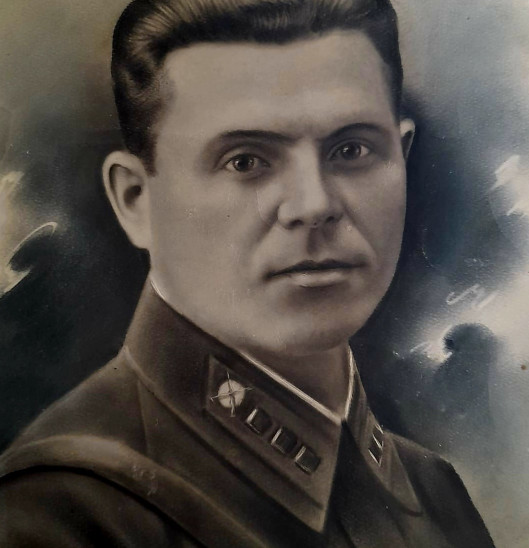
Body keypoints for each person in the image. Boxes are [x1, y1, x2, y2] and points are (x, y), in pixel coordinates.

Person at [0, 0, 495, 546]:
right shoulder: (63, 510)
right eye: (246, 160)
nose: (313, 204)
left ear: (401, 158)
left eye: (351, 149)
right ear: (136, 200)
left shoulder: (435, 491)